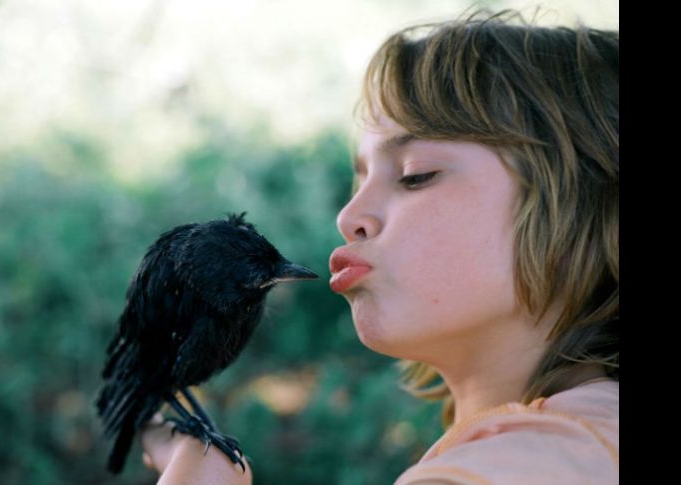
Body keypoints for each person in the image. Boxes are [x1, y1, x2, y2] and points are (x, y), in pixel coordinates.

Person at [139, 8, 619, 484]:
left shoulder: (539, 458)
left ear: (582, 209)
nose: (349, 217)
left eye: (415, 174)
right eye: (362, 176)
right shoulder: (577, 440)